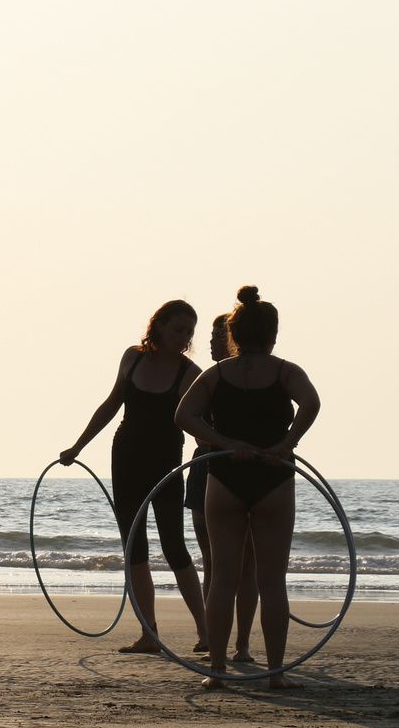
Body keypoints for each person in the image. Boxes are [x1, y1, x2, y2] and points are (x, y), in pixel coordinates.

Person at [176, 285, 320, 689]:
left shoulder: (217, 373)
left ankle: (217, 670)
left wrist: (223, 443)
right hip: (273, 475)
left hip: (225, 477)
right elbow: (311, 404)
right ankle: (274, 673)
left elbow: (184, 415)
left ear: (233, 336)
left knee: (223, 577)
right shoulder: (286, 371)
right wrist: (285, 444)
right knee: (271, 579)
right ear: (273, 334)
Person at [61, 300, 208, 654]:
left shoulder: (191, 373)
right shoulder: (132, 357)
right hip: (126, 458)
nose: (185, 337)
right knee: (134, 548)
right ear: (158, 326)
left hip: (167, 465)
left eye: (189, 332)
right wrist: (77, 447)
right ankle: (149, 634)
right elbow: (112, 404)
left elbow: (202, 424)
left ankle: (207, 632)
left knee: (174, 546)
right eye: (178, 330)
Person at [187, 313, 258, 661]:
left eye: (219, 336)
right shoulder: (206, 377)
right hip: (206, 469)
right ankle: (214, 641)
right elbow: (187, 419)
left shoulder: (250, 377)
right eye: (212, 336)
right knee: (213, 562)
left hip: (245, 471)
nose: (213, 342)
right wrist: (215, 442)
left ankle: (241, 644)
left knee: (246, 563)